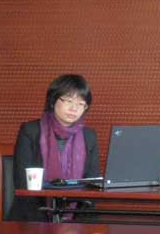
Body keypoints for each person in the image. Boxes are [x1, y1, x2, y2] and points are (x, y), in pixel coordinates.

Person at [9, 74, 100, 221]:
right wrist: (47, 226)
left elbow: (93, 185)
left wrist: (77, 225)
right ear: (53, 100)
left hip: (77, 218)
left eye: (80, 104)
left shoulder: (89, 136)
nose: (74, 108)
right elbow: (23, 183)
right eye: (69, 101)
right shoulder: (31, 131)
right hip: (33, 218)